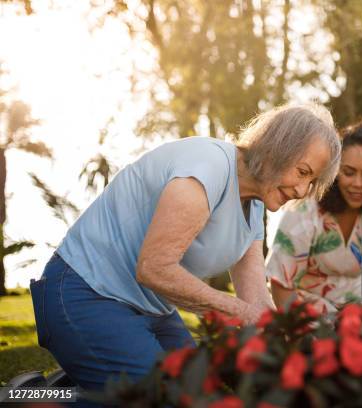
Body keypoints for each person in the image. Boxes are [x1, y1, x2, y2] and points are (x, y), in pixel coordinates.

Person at [29, 104, 341, 400]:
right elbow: (154, 268)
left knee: (202, 396)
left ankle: (76, 384)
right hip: (84, 294)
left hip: (153, 312)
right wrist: (241, 311)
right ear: (278, 147)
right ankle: (27, 399)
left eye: (312, 181)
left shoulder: (254, 204)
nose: (302, 191)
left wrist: (289, 335)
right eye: (302, 172)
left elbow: (256, 300)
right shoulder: (208, 165)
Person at [266, 121, 362, 313]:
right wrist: (299, 330)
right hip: (307, 308)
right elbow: (280, 284)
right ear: (333, 172)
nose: (358, 183)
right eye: (349, 172)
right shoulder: (305, 209)